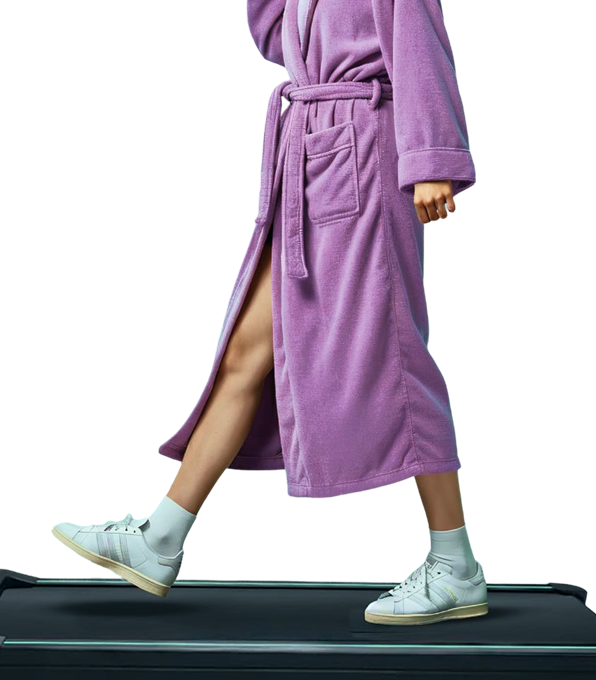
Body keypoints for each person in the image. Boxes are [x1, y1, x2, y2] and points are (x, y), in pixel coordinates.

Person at [52, 0, 486, 626]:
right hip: (313, 153)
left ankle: (455, 563)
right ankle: (161, 538)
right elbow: (275, 38)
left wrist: (431, 158)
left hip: (369, 151)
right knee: (246, 353)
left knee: (394, 353)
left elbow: (421, 42)